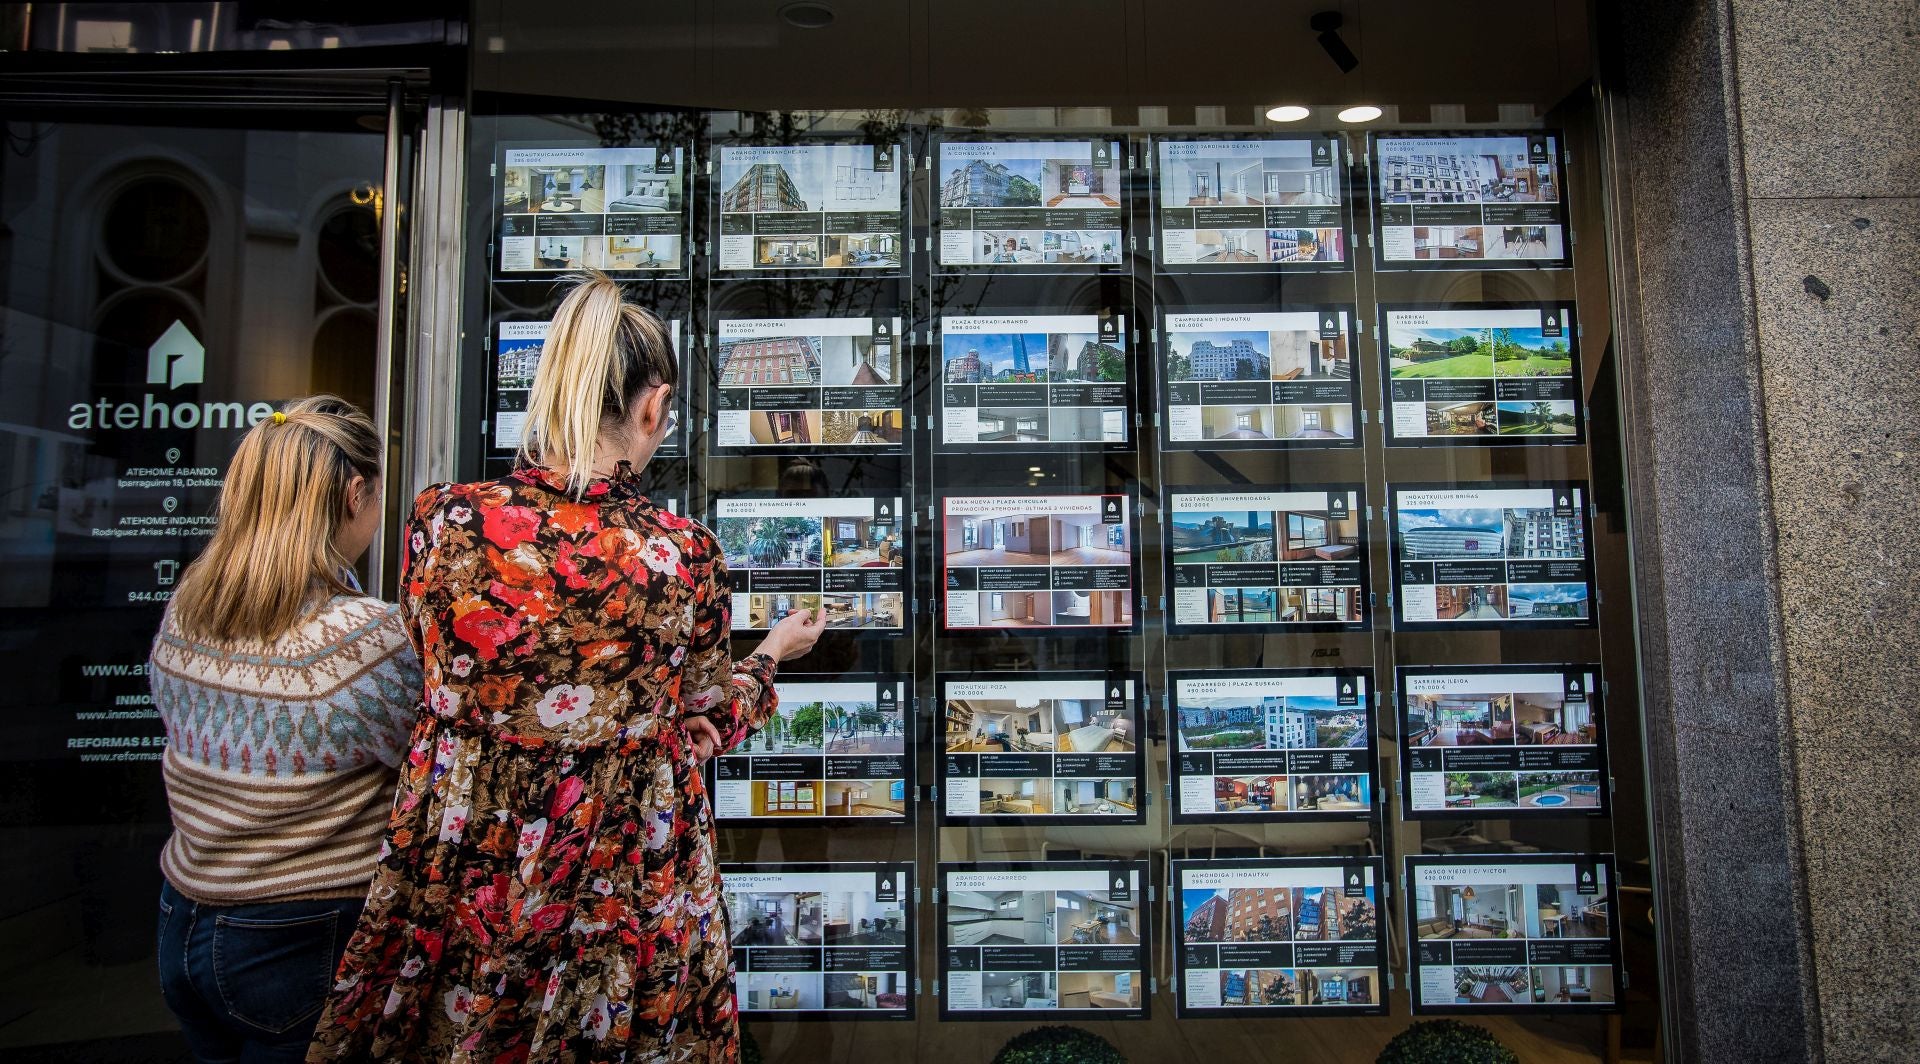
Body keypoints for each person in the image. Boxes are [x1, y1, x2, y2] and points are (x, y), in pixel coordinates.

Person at [307, 271, 823, 1063]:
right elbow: (699, 724)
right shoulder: (681, 556)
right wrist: (772, 655)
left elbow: (440, 673)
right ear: (654, 408)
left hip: (470, 869)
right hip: (623, 885)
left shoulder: (442, 523)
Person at [150, 395, 423, 1063]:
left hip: (183, 918)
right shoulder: (362, 641)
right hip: (299, 936)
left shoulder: (189, 605)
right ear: (356, 492)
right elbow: (434, 770)